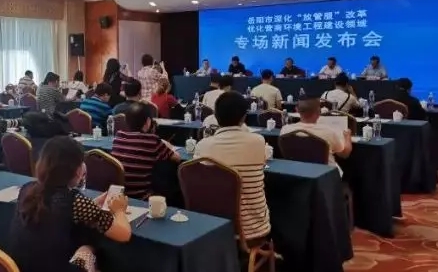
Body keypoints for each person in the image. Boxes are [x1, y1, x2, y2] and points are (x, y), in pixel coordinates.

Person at [8, 136, 131, 272]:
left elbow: (59, 211)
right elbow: (123, 234)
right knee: (88, 249)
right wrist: (119, 210)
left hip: (20, 268)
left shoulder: (27, 189)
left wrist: (93, 204)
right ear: (78, 171)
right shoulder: (74, 200)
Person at [194, 92, 271, 240]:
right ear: (244, 117)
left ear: (215, 116)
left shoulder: (203, 145)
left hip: (213, 228)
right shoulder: (258, 141)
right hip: (253, 230)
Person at [112, 102, 180, 199]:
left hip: (119, 196)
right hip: (142, 197)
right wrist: (168, 145)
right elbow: (177, 158)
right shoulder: (152, 140)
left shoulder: (119, 136)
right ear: (148, 121)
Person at [280, 95, 352, 175]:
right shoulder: (328, 132)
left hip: (297, 175)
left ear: (297, 110)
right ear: (319, 111)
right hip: (325, 177)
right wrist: (347, 136)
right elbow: (344, 154)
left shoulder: (285, 130)